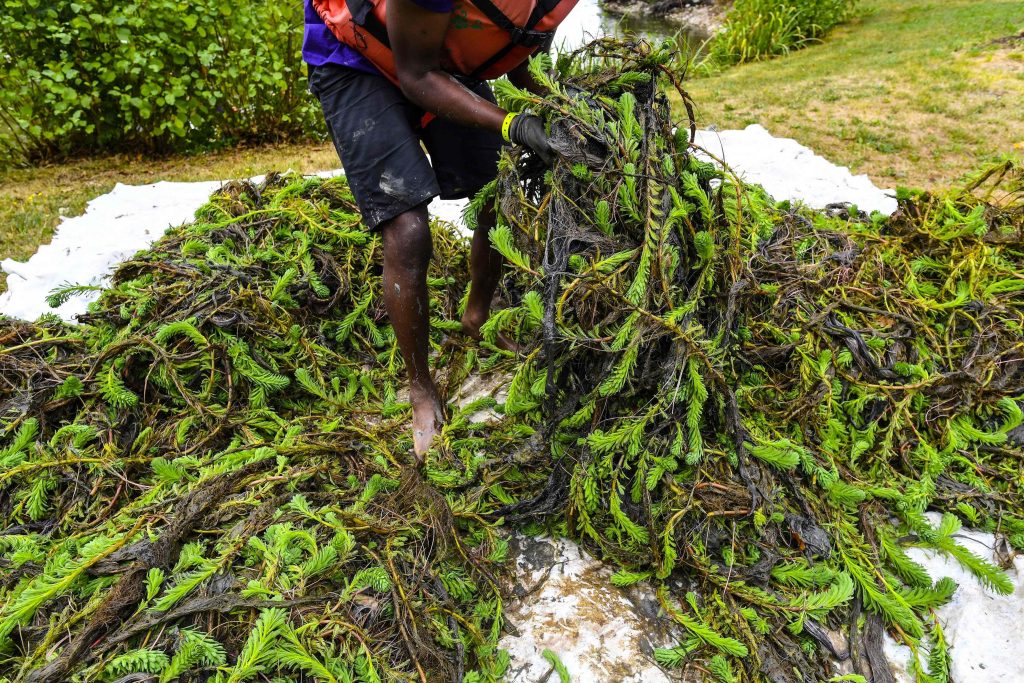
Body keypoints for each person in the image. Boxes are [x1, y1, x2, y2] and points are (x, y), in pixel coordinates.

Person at [304, 0, 578, 460]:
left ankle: (478, 317)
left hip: (436, 48)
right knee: (408, 227)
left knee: (497, 190)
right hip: (356, 59)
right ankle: (421, 389)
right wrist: (512, 124)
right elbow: (416, 78)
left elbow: (519, 48)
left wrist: (561, 112)